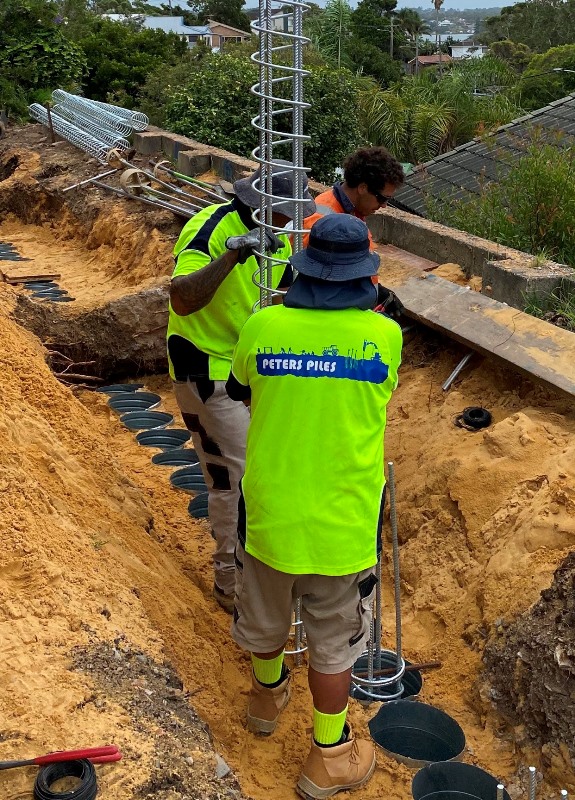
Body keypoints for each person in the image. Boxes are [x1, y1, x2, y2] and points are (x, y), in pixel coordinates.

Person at [226, 214, 403, 799]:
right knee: (333, 643)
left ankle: (266, 699)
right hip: (341, 523)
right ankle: (328, 754)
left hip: (271, 512)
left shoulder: (261, 326)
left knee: (266, 617)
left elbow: (241, 391)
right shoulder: (383, 338)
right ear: (363, 277)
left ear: (303, 267)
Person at [168, 160, 315, 613]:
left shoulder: (282, 243)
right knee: (234, 479)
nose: (289, 223)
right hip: (205, 369)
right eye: (283, 213)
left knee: (260, 476)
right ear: (256, 203)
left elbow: (294, 297)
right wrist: (235, 253)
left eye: (294, 216)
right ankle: (231, 587)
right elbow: (182, 296)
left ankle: (255, 577)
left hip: (248, 370)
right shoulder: (211, 226)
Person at [301, 146, 406, 317]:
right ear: (363, 188)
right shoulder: (322, 220)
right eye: (382, 198)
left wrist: (377, 291)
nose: (384, 206)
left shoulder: (351, 212)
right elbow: (320, 281)